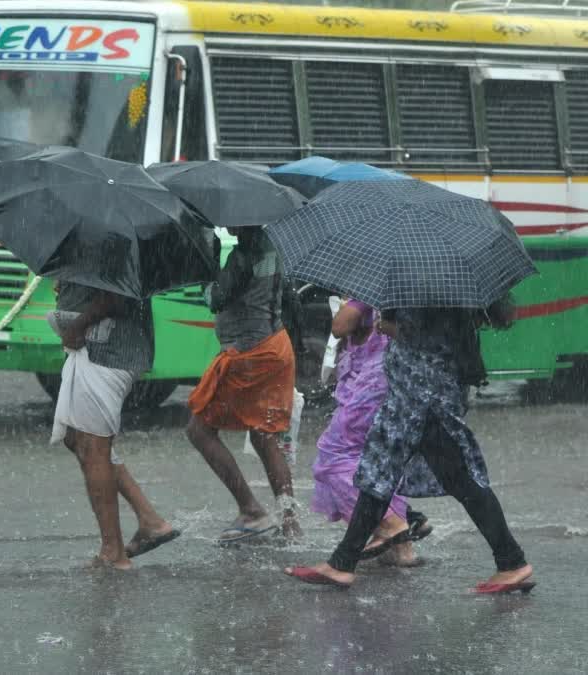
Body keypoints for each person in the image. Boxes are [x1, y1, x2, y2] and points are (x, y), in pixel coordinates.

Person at [285, 297, 535, 593]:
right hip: (417, 398)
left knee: (456, 480)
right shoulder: (442, 287)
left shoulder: (424, 289)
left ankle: (511, 561)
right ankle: (342, 563)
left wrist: (386, 324)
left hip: (422, 400)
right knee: (382, 476)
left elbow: (409, 329)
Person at [48, 283, 180, 570]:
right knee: (75, 438)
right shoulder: (96, 242)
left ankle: (113, 552)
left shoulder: (108, 241)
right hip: (96, 350)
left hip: (106, 353)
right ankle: (150, 521)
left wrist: (78, 325)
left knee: (94, 447)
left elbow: (115, 296)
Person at [186, 226, 300, 542]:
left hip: (248, 353)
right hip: (276, 343)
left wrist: (208, 269)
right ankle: (290, 522)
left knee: (198, 430)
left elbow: (216, 298)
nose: (227, 223)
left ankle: (251, 510)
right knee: (265, 435)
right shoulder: (275, 246)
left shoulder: (244, 254)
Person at [311, 299, 429, 567]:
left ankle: (393, 522)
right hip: (391, 379)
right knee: (376, 460)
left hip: (372, 385)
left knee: (332, 459)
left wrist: (349, 305)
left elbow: (340, 326)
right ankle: (401, 549)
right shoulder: (404, 289)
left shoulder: (371, 291)